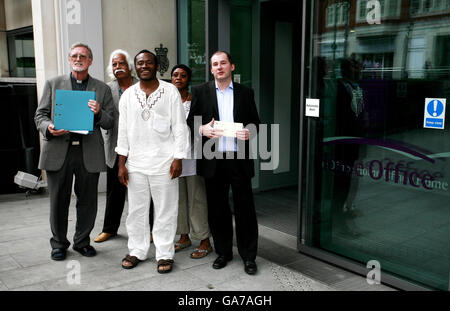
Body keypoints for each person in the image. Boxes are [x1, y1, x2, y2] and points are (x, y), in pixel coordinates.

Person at [34, 42, 114, 261]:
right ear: (69, 60)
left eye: (83, 56)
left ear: (90, 61)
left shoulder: (102, 89)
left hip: (88, 152)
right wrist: (49, 127)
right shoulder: (53, 84)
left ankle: (82, 242)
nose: (78, 59)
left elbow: (110, 122)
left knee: (88, 201)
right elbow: (40, 115)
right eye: (74, 56)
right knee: (59, 200)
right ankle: (59, 244)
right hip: (59, 151)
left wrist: (98, 113)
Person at [187, 51, 261, 275]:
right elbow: (191, 121)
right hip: (213, 159)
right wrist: (202, 129)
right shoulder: (200, 91)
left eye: (223, 63)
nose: (219, 67)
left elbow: (255, 122)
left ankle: (249, 257)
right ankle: (224, 253)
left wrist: (250, 132)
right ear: (211, 69)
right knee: (218, 209)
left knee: (245, 209)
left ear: (232, 66)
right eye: (215, 64)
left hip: (238, 159)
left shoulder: (246, 92)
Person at [115, 50, 190, 273]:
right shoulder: (128, 95)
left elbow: (179, 126)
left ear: (157, 66)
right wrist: (122, 163)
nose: (144, 66)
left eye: (149, 63)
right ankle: (137, 250)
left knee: (165, 210)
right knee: (136, 211)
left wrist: (178, 158)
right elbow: (123, 131)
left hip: (164, 163)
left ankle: (165, 254)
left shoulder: (170, 92)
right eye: (140, 63)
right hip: (136, 164)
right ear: (134, 68)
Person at [94, 49, 155, 243]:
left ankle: (152, 230)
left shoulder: (143, 85)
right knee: (115, 191)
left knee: (147, 191)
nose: (118, 67)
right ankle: (109, 229)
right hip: (116, 147)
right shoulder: (106, 89)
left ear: (129, 66)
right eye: (114, 65)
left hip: (143, 147)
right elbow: (105, 118)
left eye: (121, 63)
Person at [170, 64, 212, 259]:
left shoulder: (196, 100)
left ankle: (204, 240)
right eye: (175, 75)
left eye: (183, 75)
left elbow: (201, 126)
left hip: (193, 156)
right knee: (178, 199)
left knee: (197, 199)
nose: (178, 78)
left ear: (188, 79)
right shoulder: (166, 100)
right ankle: (184, 236)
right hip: (173, 157)